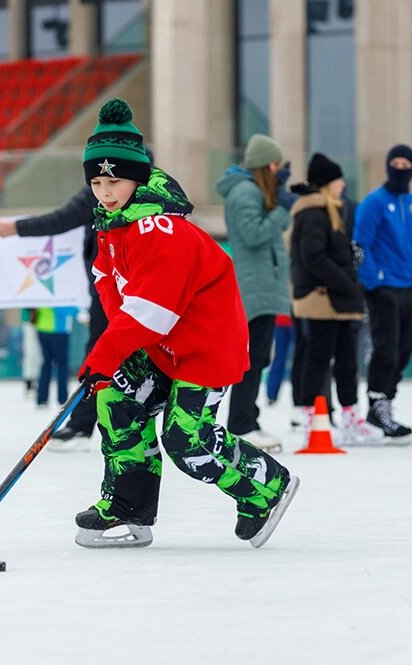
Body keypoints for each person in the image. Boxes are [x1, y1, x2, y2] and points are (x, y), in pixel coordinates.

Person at [74, 98, 298, 549]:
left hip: (204, 347)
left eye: (114, 180)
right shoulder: (111, 225)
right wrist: (120, 348)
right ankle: (128, 506)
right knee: (116, 396)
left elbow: (152, 309)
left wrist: (109, 349)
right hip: (158, 344)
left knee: (186, 440)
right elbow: (105, 279)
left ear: (136, 178)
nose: (104, 191)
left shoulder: (161, 231)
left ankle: (264, 486)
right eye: (97, 181)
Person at [0, 186, 100, 451]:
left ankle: (83, 425)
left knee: (100, 358)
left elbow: (64, 218)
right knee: (91, 358)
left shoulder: (117, 186)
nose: (105, 190)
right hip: (104, 293)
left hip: (119, 292)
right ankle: (81, 423)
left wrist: (18, 227)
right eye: (97, 182)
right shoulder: (103, 187)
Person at [289, 153, 383, 446]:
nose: (343, 185)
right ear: (327, 184)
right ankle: (310, 419)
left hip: (339, 300)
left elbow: (331, 254)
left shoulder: (332, 211)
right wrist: (346, 282)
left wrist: (349, 261)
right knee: (317, 359)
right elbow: (313, 257)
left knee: (347, 361)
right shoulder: (313, 212)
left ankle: (350, 418)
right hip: (322, 299)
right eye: (338, 180)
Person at [215, 134, 292, 452]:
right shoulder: (245, 192)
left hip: (261, 285)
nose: (278, 171)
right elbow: (253, 233)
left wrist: (277, 196)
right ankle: (242, 423)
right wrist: (281, 208)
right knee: (252, 359)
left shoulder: (254, 190)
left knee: (257, 357)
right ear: (265, 166)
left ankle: (246, 419)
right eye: (275, 165)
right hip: (253, 286)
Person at [354, 144, 412, 443]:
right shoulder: (374, 202)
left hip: (411, 287)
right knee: (386, 348)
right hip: (384, 288)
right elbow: (359, 245)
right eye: (395, 162)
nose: (400, 167)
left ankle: (387, 399)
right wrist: (374, 283)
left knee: (405, 348)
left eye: (405, 163)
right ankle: (377, 403)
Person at [31, 306, 80, 408]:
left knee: (46, 363)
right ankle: (62, 398)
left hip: (42, 327)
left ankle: (42, 398)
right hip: (59, 328)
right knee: (62, 364)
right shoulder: (62, 291)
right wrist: (77, 311)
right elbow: (62, 307)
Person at [265, 314, 293, 406]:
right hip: (294, 321)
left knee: (279, 358)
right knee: (300, 361)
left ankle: (271, 395)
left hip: (280, 320)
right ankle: (301, 398)